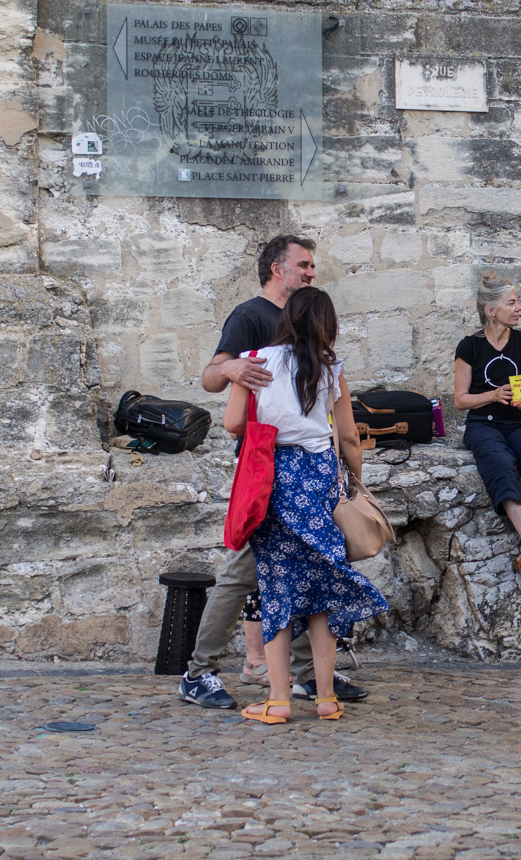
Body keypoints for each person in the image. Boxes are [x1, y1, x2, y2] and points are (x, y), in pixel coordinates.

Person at [179, 234, 369, 710]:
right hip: (265, 466)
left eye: (311, 266)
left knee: (299, 572)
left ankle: (305, 679)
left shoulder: (306, 340)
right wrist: (236, 371)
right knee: (246, 573)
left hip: (294, 468)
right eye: (303, 265)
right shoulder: (249, 317)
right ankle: (199, 672)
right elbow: (210, 375)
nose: (310, 271)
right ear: (275, 269)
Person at [223, 286, 390, 722]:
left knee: (277, 586)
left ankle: (277, 700)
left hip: (273, 477)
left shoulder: (256, 359)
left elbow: (232, 423)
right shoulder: (332, 368)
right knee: (319, 591)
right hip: (319, 477)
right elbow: (350, 436)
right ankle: (327, 699)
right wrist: (355, 482)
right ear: (326, 325)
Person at [454, 274, 521, 584]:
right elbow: (460, 399)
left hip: (519, 422)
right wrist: (494, 395)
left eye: (517, 302)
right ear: (491, 309)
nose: (519, 308)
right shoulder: (469, 346)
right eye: (511, 303)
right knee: (500, 462)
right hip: (482, 424)